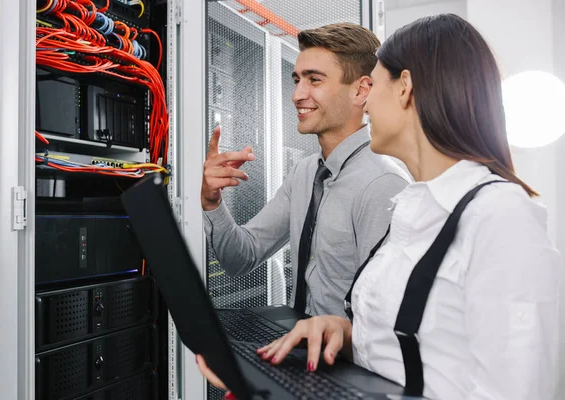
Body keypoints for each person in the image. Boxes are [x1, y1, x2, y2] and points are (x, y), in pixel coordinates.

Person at [198, 14, 561, 400]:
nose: (368, 103)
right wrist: (346, 335)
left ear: (403, 87)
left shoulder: (497, 217)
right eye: (297, 79)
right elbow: (412, 350)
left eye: (377, 83)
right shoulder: (416, 205)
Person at [201, 23, 410, 317]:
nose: (297, 94)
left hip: (347, 362)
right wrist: (212, 202)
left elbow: (385, 322)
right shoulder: (305, 173)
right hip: (300, 354)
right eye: (297, 79)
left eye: (314, 80)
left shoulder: (384, 184)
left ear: (361, 90)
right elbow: (241, 258)